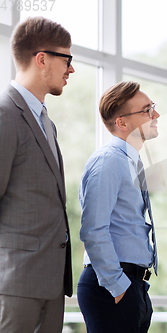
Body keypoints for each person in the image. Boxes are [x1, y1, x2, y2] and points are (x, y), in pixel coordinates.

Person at [0, 16, 74, 332]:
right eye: (67, 59)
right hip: (16, 284)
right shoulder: (5, 115)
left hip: (50, 284)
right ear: (41, 59)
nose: (71, 69)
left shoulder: (46, 122)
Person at [77, 81, 160, 333]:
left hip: (132, 285)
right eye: (147, 110)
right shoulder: (110, 161)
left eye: (153, 107)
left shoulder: (130, 162)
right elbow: (93, 229)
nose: (156, 115)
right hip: (112, 286)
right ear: (122, 123)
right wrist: (118, 285)